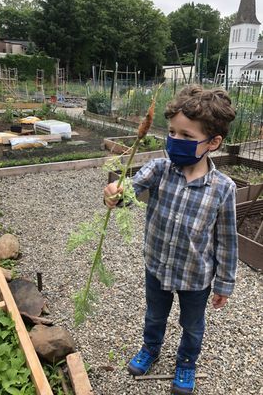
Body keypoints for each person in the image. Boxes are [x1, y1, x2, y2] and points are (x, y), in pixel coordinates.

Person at [104, 85, 238, 395]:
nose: (175, 140)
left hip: (196, 277)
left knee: (191, 325)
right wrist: (114, 194)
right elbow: (128, 192)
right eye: (173, 132)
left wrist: (224, 284)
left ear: (213, 142)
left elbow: (228, 242)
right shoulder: (159, 169)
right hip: (158, 267)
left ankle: (187, 363)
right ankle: (150, 349)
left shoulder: (223, 188)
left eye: (187, 137)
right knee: (154, 314)